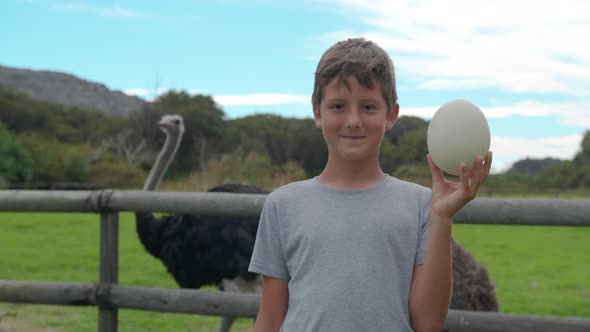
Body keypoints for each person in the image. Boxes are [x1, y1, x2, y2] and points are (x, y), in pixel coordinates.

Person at [248, 37, 492, 332]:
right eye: (338, 106)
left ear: (391, 115)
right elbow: (271, 316)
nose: (353, 120)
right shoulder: (282, 205)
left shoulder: (422, 206)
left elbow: (428, 323)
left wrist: (443, 216)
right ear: (317, 112)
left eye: (368, 107)